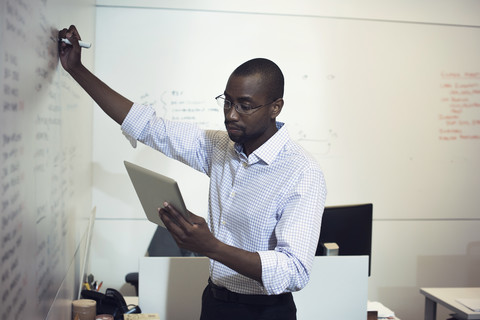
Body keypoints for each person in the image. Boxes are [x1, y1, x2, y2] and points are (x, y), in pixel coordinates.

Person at [59, 25, 327, 320]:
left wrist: (211, 246)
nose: (230, 114)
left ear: (276, 107)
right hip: (214, 302)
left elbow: (295, 270)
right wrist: (75, 69)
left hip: (264, 312)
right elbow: (148, 126)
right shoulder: (221, 146)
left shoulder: (302, 172)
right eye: (227, 101)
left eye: (244, 106)